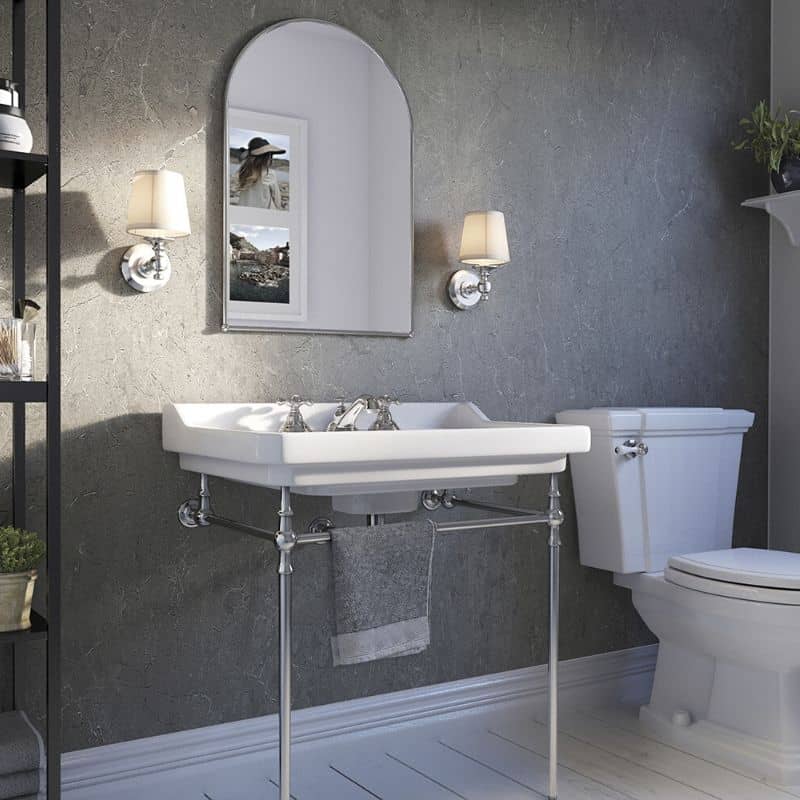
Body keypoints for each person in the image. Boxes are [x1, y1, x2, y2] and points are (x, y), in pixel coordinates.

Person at [231, 136, 286, 209]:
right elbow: (277, 199)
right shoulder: (269, 173)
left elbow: (235, 187)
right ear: (266, 157)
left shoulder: (244, 170)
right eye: (270, 155)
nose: (270, 157)